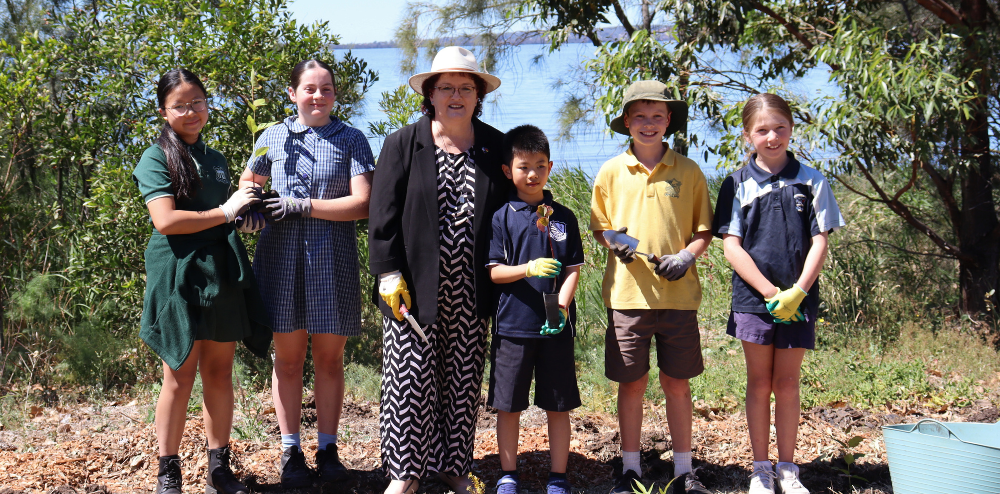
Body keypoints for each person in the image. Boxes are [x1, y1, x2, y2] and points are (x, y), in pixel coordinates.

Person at [368, 46, 508, 494]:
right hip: (411, 289)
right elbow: (382, 213)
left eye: (466, 88)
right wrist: (388, 272)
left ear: (478, 95)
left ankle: (453, 467)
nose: (455, 95)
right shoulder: (404, 142)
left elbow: (513, 210)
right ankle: (405, 475)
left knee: (462, 384)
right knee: (408, 385)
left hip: (472, 289)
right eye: (445, 87)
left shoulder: (495, 145)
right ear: (429, 93)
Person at [132, 68, 271, 494]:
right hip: (176, 272)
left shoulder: (214, 159)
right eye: (180, 105)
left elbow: (225, 213)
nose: (191, 111)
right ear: (163, 111)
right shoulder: (155, 158)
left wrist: (246, 218)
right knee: (179, 371)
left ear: (207, 104)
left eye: (198, 102)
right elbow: (167, 220)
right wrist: (227, 213)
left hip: (219, 269)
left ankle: (218, 469)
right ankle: (167, 472)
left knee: (219, 371)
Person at [239, 59, 374, 489]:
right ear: (293, 94)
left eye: (327, 89)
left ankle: (329, 450)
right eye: (309, 89)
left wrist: (305, 205)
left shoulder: (351, 138)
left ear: (335, 95)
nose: (318, 96)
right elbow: (247, 189)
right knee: (289, 360)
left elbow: (363, 204)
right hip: (280, 261)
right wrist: (249, 213)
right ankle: (290, 451)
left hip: (331, 261)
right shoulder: (271, 138)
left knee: (330, 360)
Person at [712, 93, 845, 494]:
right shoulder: (734, 183)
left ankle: (788, 468)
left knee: (787, 384)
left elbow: (820, 240)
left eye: (780, 128)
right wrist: (771, 292)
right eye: (762, 130)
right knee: (759, 382)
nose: (772, 137)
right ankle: (760, 469)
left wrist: (798, 292)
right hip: (754, 302)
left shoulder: (812, 180)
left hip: (799, 301)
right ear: (747, 135)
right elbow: (730, 245)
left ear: (791, 129)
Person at [589, 80, 714, 494]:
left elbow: (703, 231)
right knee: (632, 383)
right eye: (639, 116)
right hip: (627, 297)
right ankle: (629, 468)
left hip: (678, 299)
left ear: (669, 122)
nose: (648, 124)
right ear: (626, 121)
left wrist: (686, 257)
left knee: (677, 384)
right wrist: (614, 242)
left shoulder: (689, 170)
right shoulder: (610, 171)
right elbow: (599, 228)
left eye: (657, 116)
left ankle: (684, 469)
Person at [487, 125, 584, 494]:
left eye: (540, 166)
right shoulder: (502, 216)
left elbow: (573, 270)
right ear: (507, 170)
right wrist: (527, 268)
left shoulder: (563, 216)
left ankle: (558, 476)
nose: (532, 174)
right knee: (509, 406)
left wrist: (560, 308)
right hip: (513, 326)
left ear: (550, 167)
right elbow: (494, 272)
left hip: (555, 328)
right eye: (524, 166)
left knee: (558, 405)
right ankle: (508, 474)